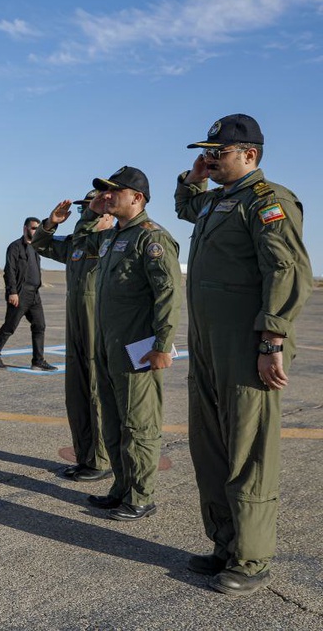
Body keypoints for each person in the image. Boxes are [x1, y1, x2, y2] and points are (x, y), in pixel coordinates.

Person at [175, 114, 312, 596]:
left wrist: (272, 339)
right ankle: (225, 544)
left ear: (249, 155)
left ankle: (252, 558)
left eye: (219, 153)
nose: (210, 159)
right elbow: (186, 209)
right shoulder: (216, 202)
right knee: (209, 444)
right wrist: (191, 179)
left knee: (248, 448)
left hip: (246, 343)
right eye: (207, 152)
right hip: (208, 344)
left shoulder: (268, 200)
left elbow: (287, 269)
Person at [85, 166, 182, 521]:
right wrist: (93, 210)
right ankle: (120, 487)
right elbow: (78, 244)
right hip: (110, 346)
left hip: (138, 348)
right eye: (105, 192)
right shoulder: (112, 236)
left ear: (137, 198)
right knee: (112, 421)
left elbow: (168, 294)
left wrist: (162, 344)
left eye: (114, 191)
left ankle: (141, 495)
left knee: (138, 424)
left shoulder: (151, 238)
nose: (107, 196)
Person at [31, 191, 115, 482]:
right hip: (75, 323)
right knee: (77, 392)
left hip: (98, 323)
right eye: (82, 210)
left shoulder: (112, 239)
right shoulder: (76, 244)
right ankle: (85, 457)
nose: (84, 214)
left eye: (90, 209)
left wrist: (103, 222)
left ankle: (102, 459)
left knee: (96, 392)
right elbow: (41, 244)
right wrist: (51, 223)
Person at [0, 217, 56, 371]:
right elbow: (9, 271)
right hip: (20, 293)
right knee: (10, 326)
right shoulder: (15, 247)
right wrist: (12, 292)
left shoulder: (36, 247)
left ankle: (38, 361)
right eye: (33, 228)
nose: (35, 231)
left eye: (38, 229)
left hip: (35, 294)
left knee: (40, 325)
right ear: (25, 229)